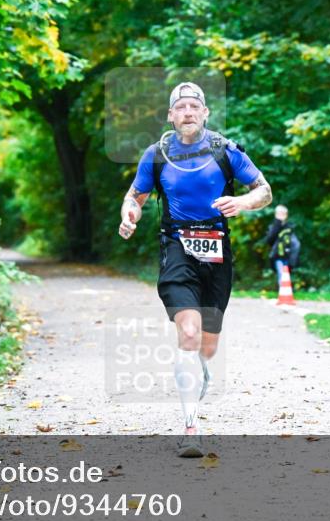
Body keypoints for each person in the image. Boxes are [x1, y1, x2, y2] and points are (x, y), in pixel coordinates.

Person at [117, 82, 272, 457]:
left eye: (194, 106)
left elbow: (264, 191)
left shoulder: (225, 151)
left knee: (208, 344)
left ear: (205, 113)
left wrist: (244, 202)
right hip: (177, 249)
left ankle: (197, 370)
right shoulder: (157, 155)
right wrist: (130, 213)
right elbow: (134, 195)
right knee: (188, 331)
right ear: (171, 115)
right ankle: (191, 427)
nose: (187, 111)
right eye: (180, 106)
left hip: (217, 250)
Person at [264, 205, 300, 283]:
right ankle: (282, 292)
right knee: (281, 274)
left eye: (283, 213)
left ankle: (287, 292)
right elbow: (269, 240)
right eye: (279, 213)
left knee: (287, 275)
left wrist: (293, 258)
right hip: (277, 256)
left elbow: (295, 244)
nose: (281, 216)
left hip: (288, 256)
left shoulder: (289, 228)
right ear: (275, 214)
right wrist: (277, 223)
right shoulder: (272, 227)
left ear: (286, 215)